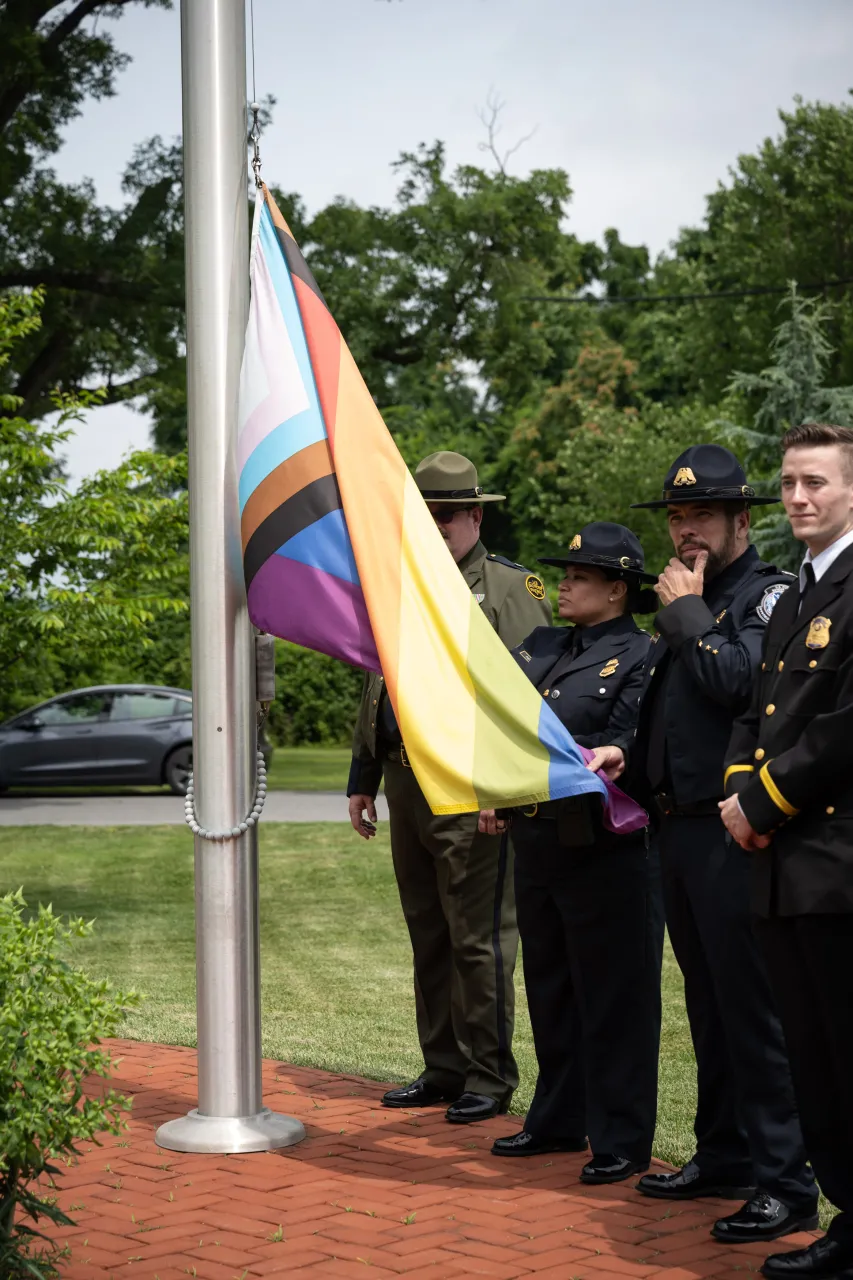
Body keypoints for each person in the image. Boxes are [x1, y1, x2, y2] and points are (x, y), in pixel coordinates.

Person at [588, 444, 818, 1243]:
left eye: (701, 516)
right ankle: (723, 1153)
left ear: (739, 521)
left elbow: (739, 687)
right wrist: (632, 752)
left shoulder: (764, 598)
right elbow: (679, 705)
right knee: (709, 1005)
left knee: (753, 1012)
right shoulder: (686, 598)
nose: (685, 530)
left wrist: (686, 613)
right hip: (675, 830)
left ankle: (783, 1181)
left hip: (732, 832)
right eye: (677, 516)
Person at [347, 451, 552, 1124]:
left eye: (446, 517)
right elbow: (378, 682)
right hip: (407, 783)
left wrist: (506, 788)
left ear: (474, 515)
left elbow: (528, 699)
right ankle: (443, 1066)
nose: (434, 530)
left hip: (469, 789)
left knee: (479, 938)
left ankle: (489, 1078)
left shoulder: (507, 592)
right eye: (423, 517)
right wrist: (363, 775)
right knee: (427, 933)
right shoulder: (400, 584)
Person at [484, 523, 664, 1184]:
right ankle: (558, 1118)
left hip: (606, 849)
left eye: (579, 576)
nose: (562, 584)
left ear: (616, 589)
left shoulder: (645, 653)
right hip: (537, 839)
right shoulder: (540, 645)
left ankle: (620, 1137)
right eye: (564, 573)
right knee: (551, 987)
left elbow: (631, 740)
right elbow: (503, 721)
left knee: (615, 996)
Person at [721, 422, 853, 1280]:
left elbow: (844, 730)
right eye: (786, 483)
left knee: (847, 1052)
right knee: (811, 1057)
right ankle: (846, 1218)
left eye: (814, 482)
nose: (797, 497)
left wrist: (762, 802)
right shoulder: (795, 591)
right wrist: (738, 792)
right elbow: (754, 710)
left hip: (837, 866)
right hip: (778, 865)